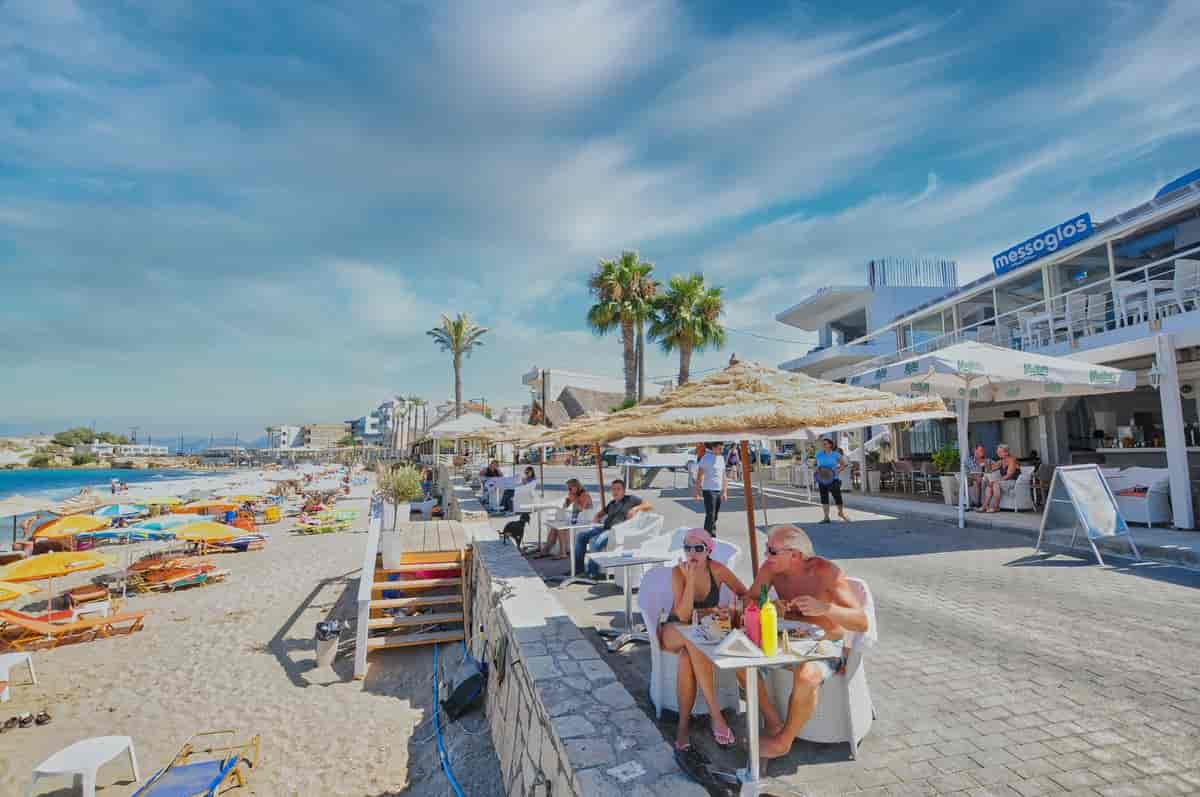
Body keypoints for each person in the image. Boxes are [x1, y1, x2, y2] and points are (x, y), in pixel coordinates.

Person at [742, 525, 868, 759]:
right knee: (738, 661)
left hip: (826, 645)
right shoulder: (770, 569)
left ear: (796, 555)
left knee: (807, 674)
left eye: (772, 551)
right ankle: (772, 721)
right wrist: (767, 605)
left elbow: (861, 622)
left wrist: (826, 608)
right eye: (766, 549)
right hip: (788, 641)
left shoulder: (826, 572)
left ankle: (784, 741)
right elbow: (750, 598)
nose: (766, 556)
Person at [658, 528, 748, 751]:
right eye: (687, 548)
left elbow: (744, 593)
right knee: (691, 638)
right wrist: (689, 580)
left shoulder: (717, 570)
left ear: (708, 550)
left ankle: (682, 727)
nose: (691, 553)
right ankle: (716, 716)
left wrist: (732, 607)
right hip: (673, 629)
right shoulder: (678, 572)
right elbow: (684, 616)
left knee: (688, 656)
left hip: (699, 634)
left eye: (698, 548)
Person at [573, 479, 653, 578]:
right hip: (605, 529)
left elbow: (649, 505)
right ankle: (578, 570)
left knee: (594, 541)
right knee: (581, 536)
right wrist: (597, 516)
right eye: (613, 489)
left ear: (623, 491)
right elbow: (603, 512)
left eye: (618, 489)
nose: (615, 491)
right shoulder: (612, 503)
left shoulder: (631, 499)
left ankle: (592, 572)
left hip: (617, 532)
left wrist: (635, 508)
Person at [540, 478, 593, 559]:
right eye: (568, 488)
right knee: (555, 527)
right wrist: (567, 502)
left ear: (576, 486)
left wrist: (574, 500)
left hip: (584, 522)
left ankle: (562, 553)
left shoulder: (584, 495)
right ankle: (546, 549)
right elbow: (566, 507)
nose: (569, 490)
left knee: (561, 528)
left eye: (570, 488)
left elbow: (581, 509)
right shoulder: (574, 494)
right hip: (576, 519)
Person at [693, 442, 728, 536]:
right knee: (710, 515)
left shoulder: (721, 458)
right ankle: (709, 536)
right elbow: (699, 476)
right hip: (708, 490)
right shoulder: (706, 458)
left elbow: (724, 476)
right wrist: (697, 493)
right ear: (713, 448)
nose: (722, 450)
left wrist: (725, 491)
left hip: (718, 490)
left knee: (715, 516)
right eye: (720, 448)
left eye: (722, 448)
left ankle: (708, 534)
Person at [814, 437, 849, 523]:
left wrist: (837, 471)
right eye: (823, 444)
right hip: (822, 479)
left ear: (830, 445)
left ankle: (840, 513)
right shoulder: (819, 454)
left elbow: (844, 464)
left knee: (837, 497)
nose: (823, 445)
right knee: (824, 498)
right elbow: (815, 465)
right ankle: (826, 517)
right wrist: (816, 470)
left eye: (825, 443)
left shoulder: (835, 454)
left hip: (833, 479)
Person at [982, 444, 1019, 512]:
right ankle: (985, 505)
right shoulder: (1001, 461)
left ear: (1006, 453)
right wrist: (986, 463)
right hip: (1004, 481)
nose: (998, 453)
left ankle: (996, 507)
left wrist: (997, 481)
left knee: (995, 484)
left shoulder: (1012, 460)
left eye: (1000, 452)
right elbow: (990, 470)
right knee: (989, 485)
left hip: (1013, 482)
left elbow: (1009, 475)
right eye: (998, 452)